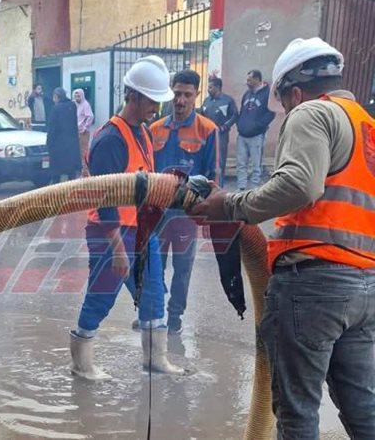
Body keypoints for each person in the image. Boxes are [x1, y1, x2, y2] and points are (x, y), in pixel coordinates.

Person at [190, 38, 375, 439]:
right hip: (364, 288)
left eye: (284, 104)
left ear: (293, 92)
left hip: (314, 283)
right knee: (364, 412)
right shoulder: (366, 125)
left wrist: (230, 205)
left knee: (296, 414)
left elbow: (299, 184)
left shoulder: (312, 112)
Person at [70, 56, 187, 381]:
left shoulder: (143, 133)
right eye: (152, 101)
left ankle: (155, 359)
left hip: (142, 230)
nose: (157, 108)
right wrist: (118, 249)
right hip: (110, 232)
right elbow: (104, 199)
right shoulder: (110, 139)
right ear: (133, 96)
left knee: (154, 293)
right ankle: (81, 363)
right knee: (102, 294)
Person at [149, 69, 218, 335]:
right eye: (177, 93)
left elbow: (213, 177)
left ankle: (175, 316)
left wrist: (209, 216)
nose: (180, 100)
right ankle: (154, 313)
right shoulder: (155, 129)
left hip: (186, 214)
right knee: (153, 264)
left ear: (196, 95)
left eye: (187, 95)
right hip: (156, 212)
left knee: (183, 268)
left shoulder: (207, 130)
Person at [236, 69, 275, 190]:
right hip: (242, 135)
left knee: (256, 165)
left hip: (256, 136)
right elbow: (242, 111)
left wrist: (258, 126)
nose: (247, 82)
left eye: (249, 80)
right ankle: (241, 188)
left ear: (257, 79)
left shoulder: (267, 94)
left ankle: (254, 189)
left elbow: (271, 113)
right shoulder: (247, 94)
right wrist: (240, 125)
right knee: (241, 163)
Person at [201, 77, 238, 186]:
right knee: (207, 160)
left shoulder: (228, 100)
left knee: (219, 161)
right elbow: (202, 117)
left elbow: (234, 115)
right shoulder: (206, 101)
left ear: (218, 87)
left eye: (210, 87)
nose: (208, 89)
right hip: (206, 136)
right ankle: (206, 186)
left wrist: (224, 127)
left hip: (220, 137)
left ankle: (219, 186)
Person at [46, 88, 82, 182]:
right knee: (71, 172)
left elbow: (52, 128)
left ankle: (56, 189)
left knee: (56, 172)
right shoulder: (72, 106)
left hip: (58, 144)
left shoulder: (56, 109)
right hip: (71, 143)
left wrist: (49, 143)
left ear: (56, 97)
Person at [73, 88, 94, 176]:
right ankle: (79, 172)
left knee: (83, 152)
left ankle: (85, 172)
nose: (77, 97)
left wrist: (85, 127)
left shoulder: (85, 104)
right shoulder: (74, 104)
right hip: (76, 131)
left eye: (78, 96)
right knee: (76, 152)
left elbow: (90, 116)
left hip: (83, 132)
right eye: (75, 96)